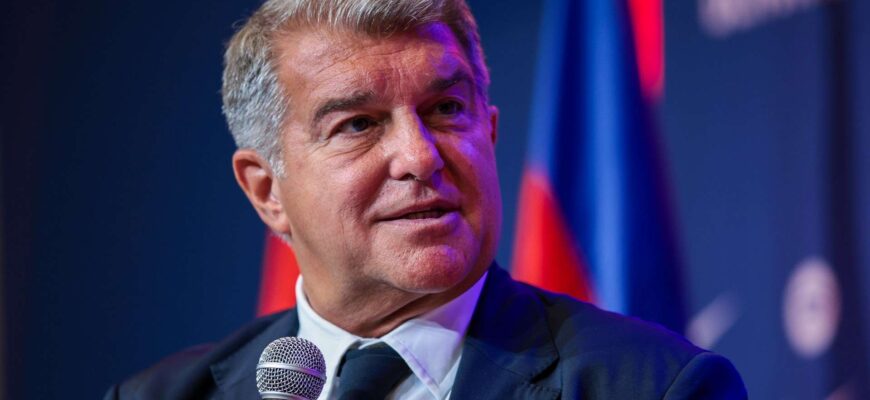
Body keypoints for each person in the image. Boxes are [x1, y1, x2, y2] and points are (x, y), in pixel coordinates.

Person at [105, 0, 747, 398]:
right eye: (358, 124)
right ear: (267, 191)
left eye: (445, 109)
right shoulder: (157, 398)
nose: (420, 156)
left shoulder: (652, 388)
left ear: (488, 132)